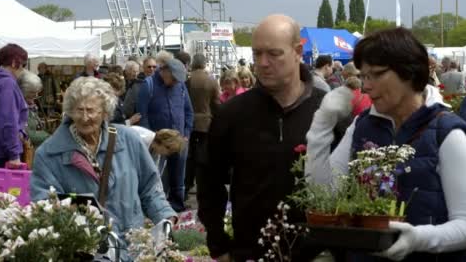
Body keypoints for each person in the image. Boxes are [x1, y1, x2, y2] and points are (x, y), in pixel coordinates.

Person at [305, 27, 466, 261]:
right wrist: (321, 126)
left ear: (407, 72)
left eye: (375, 74)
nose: (365, 86)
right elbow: (323, 194)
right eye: (363, 75)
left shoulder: (447, 133)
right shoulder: (362, 125)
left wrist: (418, 238)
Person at [197, 14, 327, 262]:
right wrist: (218, 244)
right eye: (257, 54)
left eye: (273, 54)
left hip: (318, 252)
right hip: (251, 250)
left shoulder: (326, 112)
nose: (263, 63)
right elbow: (208, 181)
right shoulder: (232, 114)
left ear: (298, 51)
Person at [30, 77, 177, 261]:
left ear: (105, 112)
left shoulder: (128, 140)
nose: (84, 118)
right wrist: (86, 224)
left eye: (91, 110)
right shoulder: (49, 153)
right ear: (69, 112)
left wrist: (164, 217)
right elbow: (44, 203)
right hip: (86, 251)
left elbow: (150, 187)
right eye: (79, 110)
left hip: (134, 247)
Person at [138, 58, 193, 212]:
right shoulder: (148, 85)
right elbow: (142, 115)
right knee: (157, 177)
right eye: (173, 78)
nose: (175, 82)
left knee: (179, 178)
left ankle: (178, 207)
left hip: (179, 140)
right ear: (165, 71)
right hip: (158, 143)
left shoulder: (180, 86)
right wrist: (150, 141)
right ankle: (159, 208)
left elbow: (188, 111)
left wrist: (187, 133)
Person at [185, 53, 220, 201]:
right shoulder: (211, 81)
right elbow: (216, 103)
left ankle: (186, 186)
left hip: (190, 123)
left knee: (190, 157)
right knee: (204, 157)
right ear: (204, 64)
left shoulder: (187, 81)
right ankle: (203, 187)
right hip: (206, 123)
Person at [0, 44, 28, 168]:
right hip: (2, 154)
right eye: (23, 65)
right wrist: (14, 155)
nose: (24, 70)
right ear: (15, 63)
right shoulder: (7, 84)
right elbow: (8, 121)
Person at [18, 71, 50, 148]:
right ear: (24, 91)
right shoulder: (20, 107)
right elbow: (27, 133)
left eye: (37, 92)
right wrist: (48, 137)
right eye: (32, 92)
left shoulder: (31, 106)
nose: (36, 95)